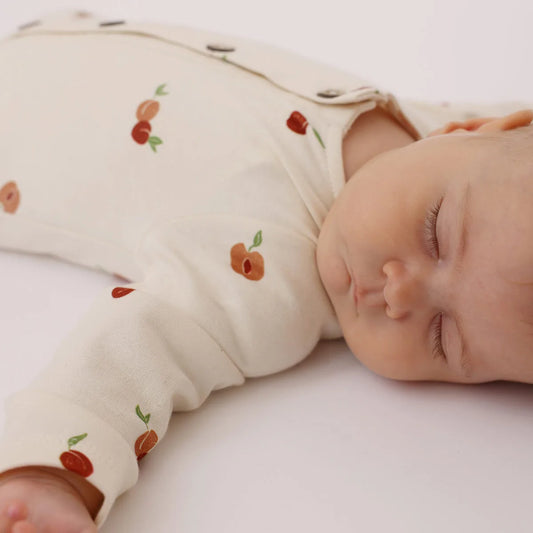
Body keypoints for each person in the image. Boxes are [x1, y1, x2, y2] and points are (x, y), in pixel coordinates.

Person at [0, 9, 532, 532]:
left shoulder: (264, 285)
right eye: (435, 232)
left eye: (444, 337)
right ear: (474, 130)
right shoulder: (468, 147)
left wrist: (51, 476)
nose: (397, 293)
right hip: (73, 28)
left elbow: (131, 349)